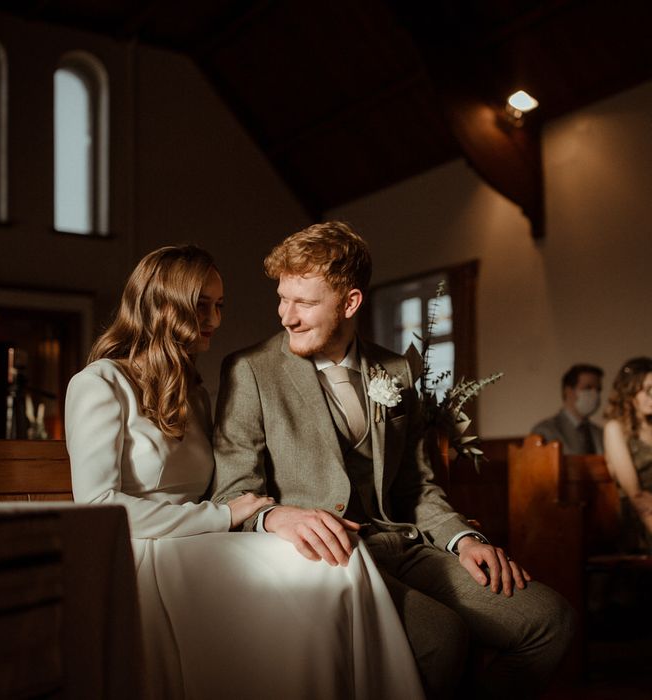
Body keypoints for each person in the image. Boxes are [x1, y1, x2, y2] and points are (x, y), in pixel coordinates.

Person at [212, 221, 574, 699]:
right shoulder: (250, 371)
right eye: (282, 298)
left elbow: (417, 486)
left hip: (403, 546)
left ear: (350, 303)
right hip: (324, 560)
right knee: (442, 639)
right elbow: (231, 491)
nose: (286, 316)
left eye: (304, 302)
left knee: (549, 620)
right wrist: (278, 515)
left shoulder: (398, 371)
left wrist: (463, 540)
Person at [65, 244, 425, 700]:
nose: (215, 320)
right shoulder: (98, 384)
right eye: (201, 307)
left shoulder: (194, 390)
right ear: (163, 306)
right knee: (321, 567)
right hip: (144, 552)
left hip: (201, 543)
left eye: (219, 306)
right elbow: (98, 508)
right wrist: (225, 516)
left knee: (331, 559)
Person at [603, 357, 652, 553]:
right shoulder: (615, 429)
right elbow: (636, 496)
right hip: (639, 517)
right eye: (647, 389)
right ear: (629, 391)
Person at [531, 364, 604, 454]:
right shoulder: (545, 431)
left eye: (598, 390)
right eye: (588, 388)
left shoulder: (600, 433)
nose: (595, 394)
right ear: (569, 391)